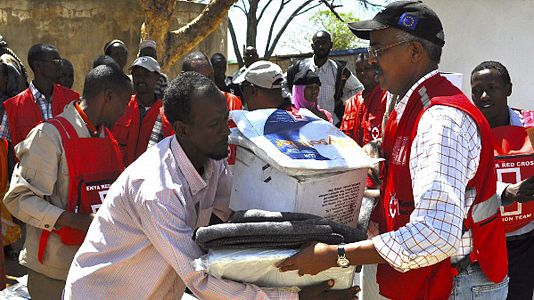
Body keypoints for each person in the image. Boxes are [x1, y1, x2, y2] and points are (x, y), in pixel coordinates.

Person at [278, 2, 509, 299]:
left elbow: (435, 234)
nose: (371, 61)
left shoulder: (439, 119)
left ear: (415, 52)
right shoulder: (407, 106)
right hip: (436, 279)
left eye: (379, 50)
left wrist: (336, 256)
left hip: (458, 283)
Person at [63, 71, 358, 299]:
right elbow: (199, 277)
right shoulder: (158, 189)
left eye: (225, 120)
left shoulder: (211, 162)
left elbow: (243, 213)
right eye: (215, 125)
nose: (225, 132)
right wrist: (291, 295)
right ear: (183, 129)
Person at [3, 65, 132, 299]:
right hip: (54, 269)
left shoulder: (106, 137)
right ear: (108, 96)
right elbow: (18, 198)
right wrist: (77, 221)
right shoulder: (49, 135)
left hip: (95, 263)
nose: (125, 112)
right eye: (124, 104)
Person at [471, 60, 534, 299]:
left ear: (508, 88)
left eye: (492, 87)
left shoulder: (530, 125)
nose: (484, 95)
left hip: (524, 242)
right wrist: (506, 192)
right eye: (476, 90)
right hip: (483, 242)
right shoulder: (467, 130)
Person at [0, 43, 80, 146]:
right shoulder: (13, 106)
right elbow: (7, 150)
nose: (60, 65)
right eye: (55, 62)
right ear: (38, 66)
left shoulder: (72, 100)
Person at [286, 31, 363, 126]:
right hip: (302, 124)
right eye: (318, 43)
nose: (321, 46)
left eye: (324, 43)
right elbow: (283, 84)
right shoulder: (299, 67)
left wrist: (341, 101)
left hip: (330, 124)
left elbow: (359, 89)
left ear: (330, 45)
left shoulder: (338, 70)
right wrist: (293, 99)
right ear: (312, 46)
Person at [112, 56, 174, 167]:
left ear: (157, 78)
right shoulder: (121, 107)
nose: (141, 79)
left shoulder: (167, 114)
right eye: (137, 75)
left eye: (146, 75)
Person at [340, 52, 387, 146]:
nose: (363, 73)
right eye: (359, 70)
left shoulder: (386, 98)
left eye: (367, 69)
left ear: (376, 70)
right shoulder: (351, 103)